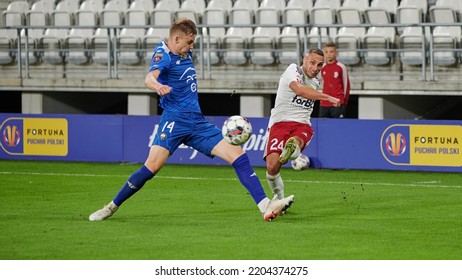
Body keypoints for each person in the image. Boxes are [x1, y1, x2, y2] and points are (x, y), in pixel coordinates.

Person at [89, 18, 294, 222]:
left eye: (192, 42)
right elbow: (149, 77)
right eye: (188, 42)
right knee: (151, 168)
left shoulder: (184, 52)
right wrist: (157, 86)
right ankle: (111, 207)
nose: (191, 46)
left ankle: (265, 206)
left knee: (238, 154)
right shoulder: (164, 55)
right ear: (176, 39)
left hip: (197, 122)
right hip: (174, 121)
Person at [264, 49, 340, 200]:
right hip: (279, 124)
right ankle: (279, 199)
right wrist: (327, 97)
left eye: (319, 65)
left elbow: (306, 91)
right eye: (312, 63)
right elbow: (299, 90)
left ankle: (294, 149)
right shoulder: (292, 70)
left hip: (302, 125)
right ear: (304, 60)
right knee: (272, 167)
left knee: (295, 141)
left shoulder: (315, 81)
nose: (315, 68)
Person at [319, 42, 350, 118]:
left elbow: (346, 86)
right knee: (323, 128)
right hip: (324, 104)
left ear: (336, 53)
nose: (328, 54)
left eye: (331, 52)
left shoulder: (341, 67)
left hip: (337, 103)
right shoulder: (322, 67)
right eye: (326, 52)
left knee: (338, 127)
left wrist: (343, 102)